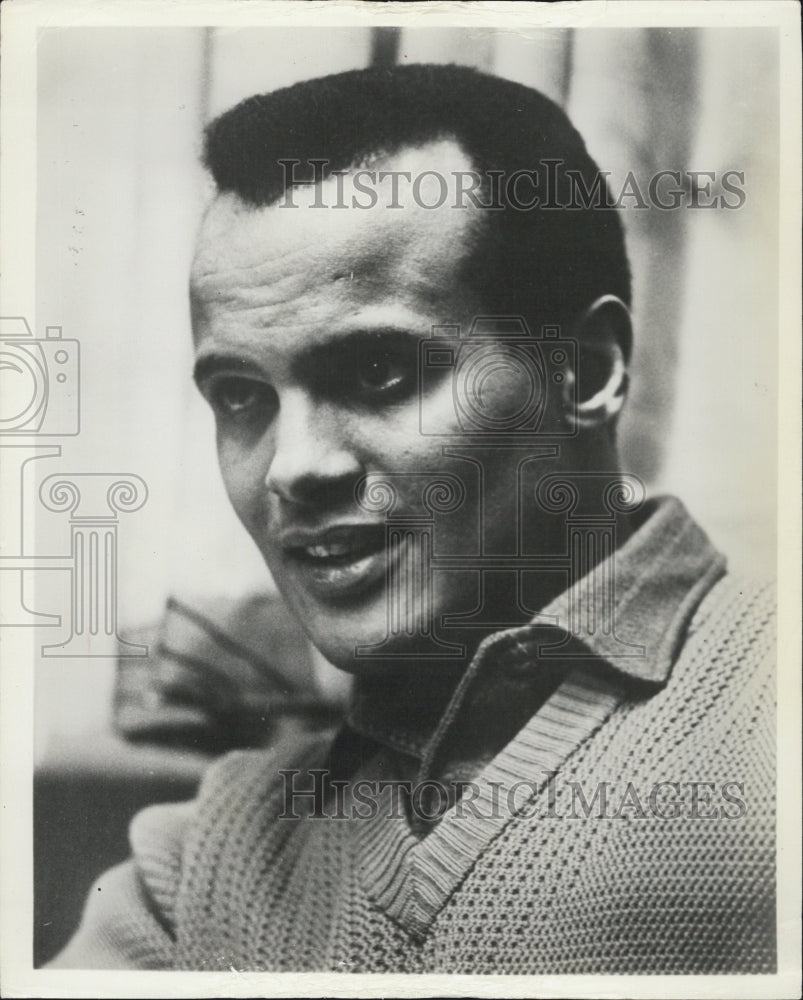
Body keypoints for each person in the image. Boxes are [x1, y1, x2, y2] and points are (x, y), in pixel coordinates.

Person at [50, 64, 775, 974]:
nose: (293, 466)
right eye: (241, 395)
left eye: (380, 374)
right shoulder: (197, 865)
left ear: (585, 372)